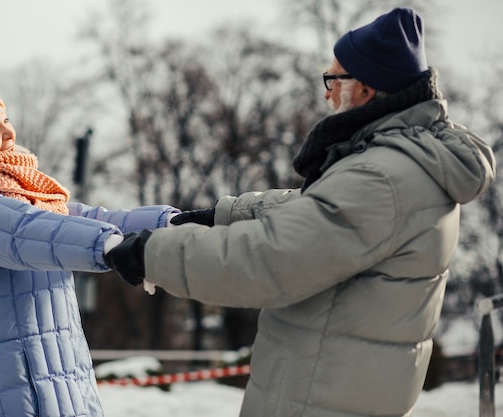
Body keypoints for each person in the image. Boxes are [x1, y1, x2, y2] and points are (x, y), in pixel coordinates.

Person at [103, 8, 496, 417]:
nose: (327, 92)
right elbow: (324, 215)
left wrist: (153, 254)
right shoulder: (405, 162)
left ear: (365, 89)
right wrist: (224, 215)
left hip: (321, 399)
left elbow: (270, 259)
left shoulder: (384, 176)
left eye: (334, 78)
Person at [0, 90, 179, 417]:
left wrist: (169, 221)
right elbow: (26, 231)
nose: (9, 133)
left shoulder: (21, 191)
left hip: (67, 371)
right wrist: (109, 247)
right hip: (23, 389)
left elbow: (91, 218)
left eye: (6, 120)